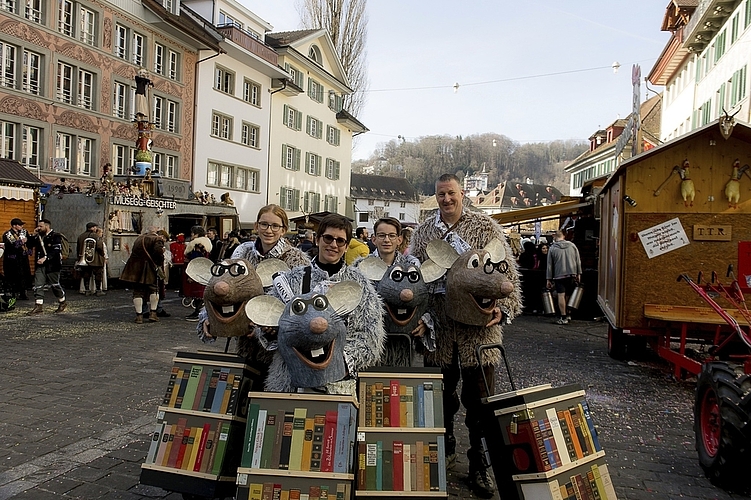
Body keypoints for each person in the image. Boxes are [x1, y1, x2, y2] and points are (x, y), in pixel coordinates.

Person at [410, 174, 522, 498]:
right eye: (441, 194)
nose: (446, 199)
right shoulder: (424, 232)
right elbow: (416, 277)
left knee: (481, 402)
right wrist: (418, 317)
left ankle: (479, 465)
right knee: (440, 400)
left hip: (479, 331)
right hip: (441, 328)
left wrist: (504, 309)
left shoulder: (485, 227)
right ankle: (444, 453)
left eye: (451, 193)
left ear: (462, 194)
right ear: (436, 197)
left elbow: (507, 276)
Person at [262, 214, 386, 395]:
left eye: (340, 241)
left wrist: (337, 362)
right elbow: (268, 320)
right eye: (328, 238)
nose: (333, 245)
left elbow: (370, 335)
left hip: (338, 384)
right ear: (318, 239)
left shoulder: (358, 284)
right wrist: (268, 330)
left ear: (346, 246)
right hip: (290, 381)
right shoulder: (293, 278)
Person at [201, 205, 310, 378]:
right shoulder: (243, 253)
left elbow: (302, 306)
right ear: (256, 226)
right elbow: (222, 285)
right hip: (245, 341)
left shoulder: (296, 260)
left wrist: (269, 326)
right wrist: (209, 316)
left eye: (275, 226)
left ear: (284, 230)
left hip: (278, 348)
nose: (269, 230)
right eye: (264, 224)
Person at [120, 226, 165, 323]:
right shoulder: (157, 239)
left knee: (138, 292)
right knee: (154, 289)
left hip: (135, 268)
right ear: (155, 232)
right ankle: (153, 313)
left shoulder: (138, 239)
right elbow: (158, 253)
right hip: (149, 268)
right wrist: (159, 262)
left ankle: (139, 316)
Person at [26, 219, 68, 315]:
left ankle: (62, 302)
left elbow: (56, 250)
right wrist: (33, 234)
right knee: (38, 285)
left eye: (41, 226)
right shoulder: (39, 236)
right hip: (40, 265)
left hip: (52, 265)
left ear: (47, 226)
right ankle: (38, 306)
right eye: (38, 226)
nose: (39, 228)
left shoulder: (56, 236)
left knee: (55, 285)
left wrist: (46, 258)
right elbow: (29, 245)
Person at [546, 230, 582, 325]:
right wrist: (579, 274)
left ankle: (563, 316)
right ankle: (568, 313)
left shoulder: (552, 248)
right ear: (564, 236)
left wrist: (548, 279)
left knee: (561, 295)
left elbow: (549, 265)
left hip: (559, 275)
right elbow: (578, 260)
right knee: (568, 295)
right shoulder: (572, 246)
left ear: (554, 237)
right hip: (572, 273)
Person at [183, 226, 211, 321]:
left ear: (197, 234)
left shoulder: (197, 245)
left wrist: (191, 274)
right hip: (202, 270)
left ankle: (198, 312)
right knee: (199, 292)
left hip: (196, 270)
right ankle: (198, 311)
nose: (191, 235)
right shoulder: (205, 243)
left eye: (192, 233)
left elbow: (196, 259)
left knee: (197, 292)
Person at [2, 218, 31, 300]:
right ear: (14, 226)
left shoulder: (24, 232)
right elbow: (10, 246)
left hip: (23, 257)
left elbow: (29, 242)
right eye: (20, 225)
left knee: (24, 274)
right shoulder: (8, 234)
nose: (22, 226)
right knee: (13, 275)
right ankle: (13, 293)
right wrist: (21, 242)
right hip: (12, 259)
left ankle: (23, 293)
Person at [76, 222, 106, 296]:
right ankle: (98, 290)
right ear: (92, 228)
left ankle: (87, 290)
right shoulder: (96, 236)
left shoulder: (81, 236)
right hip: (96, 259)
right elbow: (99, 247)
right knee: (98, 275)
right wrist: (103, 255)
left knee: (86, 275)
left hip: (85, 260)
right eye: (95, 227)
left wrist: (79, 258)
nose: (96, 228)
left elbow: (78, 248)